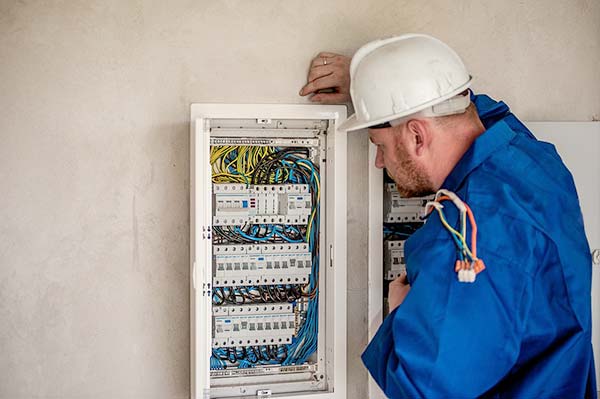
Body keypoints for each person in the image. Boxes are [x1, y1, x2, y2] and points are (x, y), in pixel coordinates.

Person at [300, 34, 597, 398]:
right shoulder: (535, 161)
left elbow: (425, 388)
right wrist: (373, 84)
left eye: (379, 146)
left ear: (416, 136)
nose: (380, 162)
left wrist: (402, 314)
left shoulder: (468, 237)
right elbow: (473, 109)